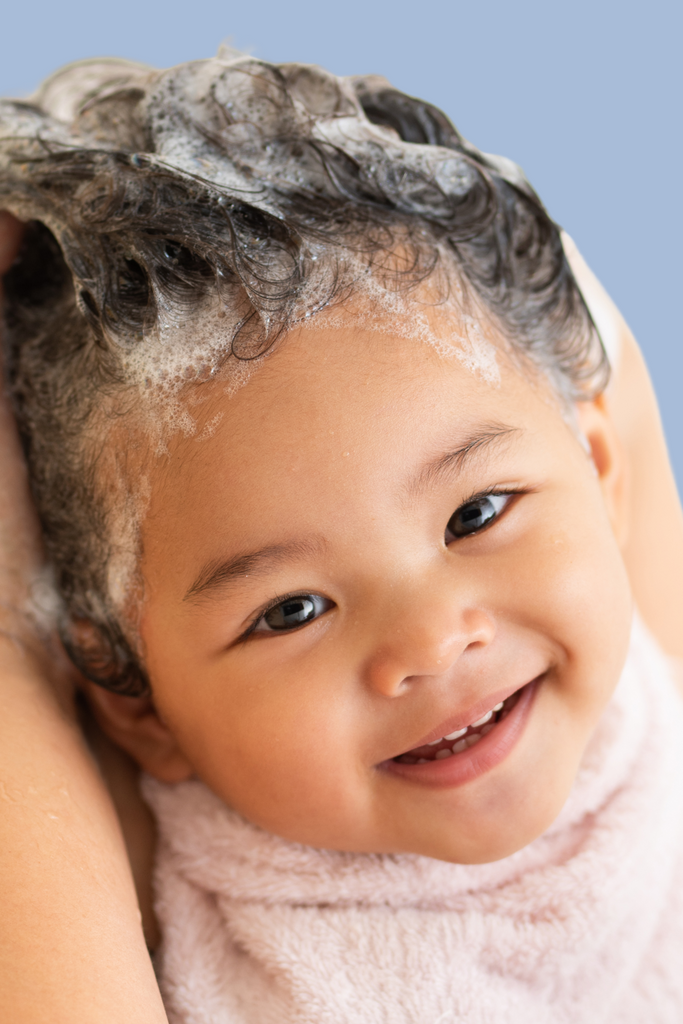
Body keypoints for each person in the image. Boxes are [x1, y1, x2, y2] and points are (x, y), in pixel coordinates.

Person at [1, 50, 682, 1022]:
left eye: (475, 514)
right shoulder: (150, 896)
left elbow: (587, 324)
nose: (431, 641)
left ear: (598, 471)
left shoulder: (647, 696)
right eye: (291, 610)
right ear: (143, 709)